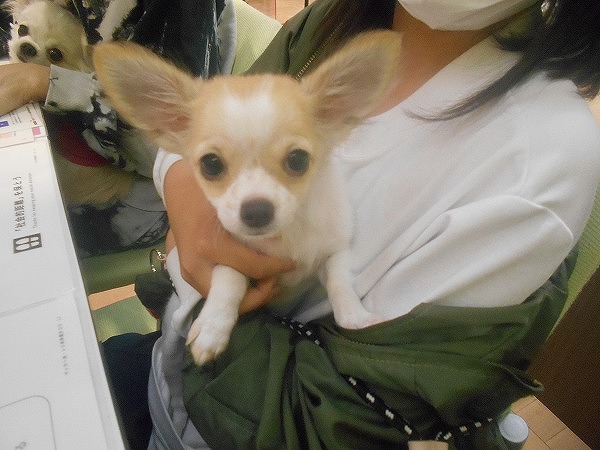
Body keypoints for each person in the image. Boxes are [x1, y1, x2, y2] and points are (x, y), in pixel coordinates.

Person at [142, 0, 600, 449]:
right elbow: (196, 129)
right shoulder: (329, 21)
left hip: (223, 416)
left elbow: (328, 423)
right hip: (171, 367)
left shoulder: (540, 157)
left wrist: (197, 280)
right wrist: (180, 180)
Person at [0, 0, 236, 256]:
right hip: (57, 142)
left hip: (133, 199)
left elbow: (172, 148)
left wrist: (48, 84)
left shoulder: (177, 13)